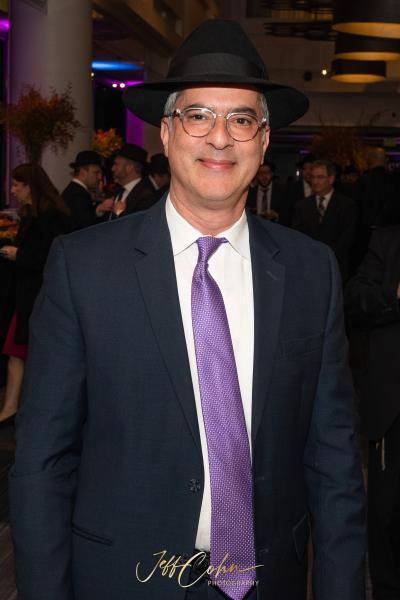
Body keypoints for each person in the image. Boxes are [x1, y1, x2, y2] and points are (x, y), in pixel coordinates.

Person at [9, 19, 365, 600]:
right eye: (199, 115)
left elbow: (335, 465)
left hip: (267, 581)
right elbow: (43, 461)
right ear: (168, 132)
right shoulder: (85, 268)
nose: (220, 138)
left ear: (264, 140)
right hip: (124, 580)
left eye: (241, 119)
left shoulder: (310, 271)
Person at [345, 226, 400, 600]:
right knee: (387, 517)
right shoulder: (389, 240)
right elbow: (355, 297)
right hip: (394, 411)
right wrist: (394, 294)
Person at [0, 163, 71, 424]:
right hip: (28, 295)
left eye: (17, 185)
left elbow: (52, 258)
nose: (13, 190)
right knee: (17, 352)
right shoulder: (34, 213)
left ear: (30, 187)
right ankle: (12, 408)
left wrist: (18, 254)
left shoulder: (51, 217)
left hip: (39, 296)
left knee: (24, 353)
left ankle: (16, 409)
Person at [292, 159, 357, 282]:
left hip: (336, 267)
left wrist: (326, 258)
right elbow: (297, 237)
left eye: (320, 177)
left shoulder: (347, 205)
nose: (315, 181)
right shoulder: (301, 206)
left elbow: (347, 239)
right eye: (313, 177)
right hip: (308, 267)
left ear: (331, 179)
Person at [62, 150, 114, 230]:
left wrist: (98, 209)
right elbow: (88, 229)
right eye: (96, 172)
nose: (100, 177)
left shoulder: (75, 190)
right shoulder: (78, 194)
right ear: (83, 173)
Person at [110, 143, 157, 217]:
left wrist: (120, 213)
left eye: (116, 164)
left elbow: (141, 222)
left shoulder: (146, 195)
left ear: (129, 168)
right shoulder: (119, 190)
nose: (112, 168)